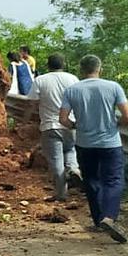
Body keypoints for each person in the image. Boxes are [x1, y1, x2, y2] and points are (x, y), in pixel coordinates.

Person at [60, 54, 128, 242]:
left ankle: (99, 220)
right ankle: (109, 216)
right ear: (100, 68)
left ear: (81, 70)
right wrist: (116, 123)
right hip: (110, 142)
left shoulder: (72, 90)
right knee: (114, 180)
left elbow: (63, 119)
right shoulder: (113, 87)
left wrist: (75, 126)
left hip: (84, 143)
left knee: (91, 180)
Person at [28, 54, 80, 201]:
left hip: (50, 125)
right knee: (70, 150)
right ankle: (74, 169)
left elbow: (31, 102)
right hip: (70, 124)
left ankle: (61, 194)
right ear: (63, 64)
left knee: (56, 161)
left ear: (48, 65)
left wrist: (29, 117)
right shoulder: (73, 79)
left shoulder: (40, 80)